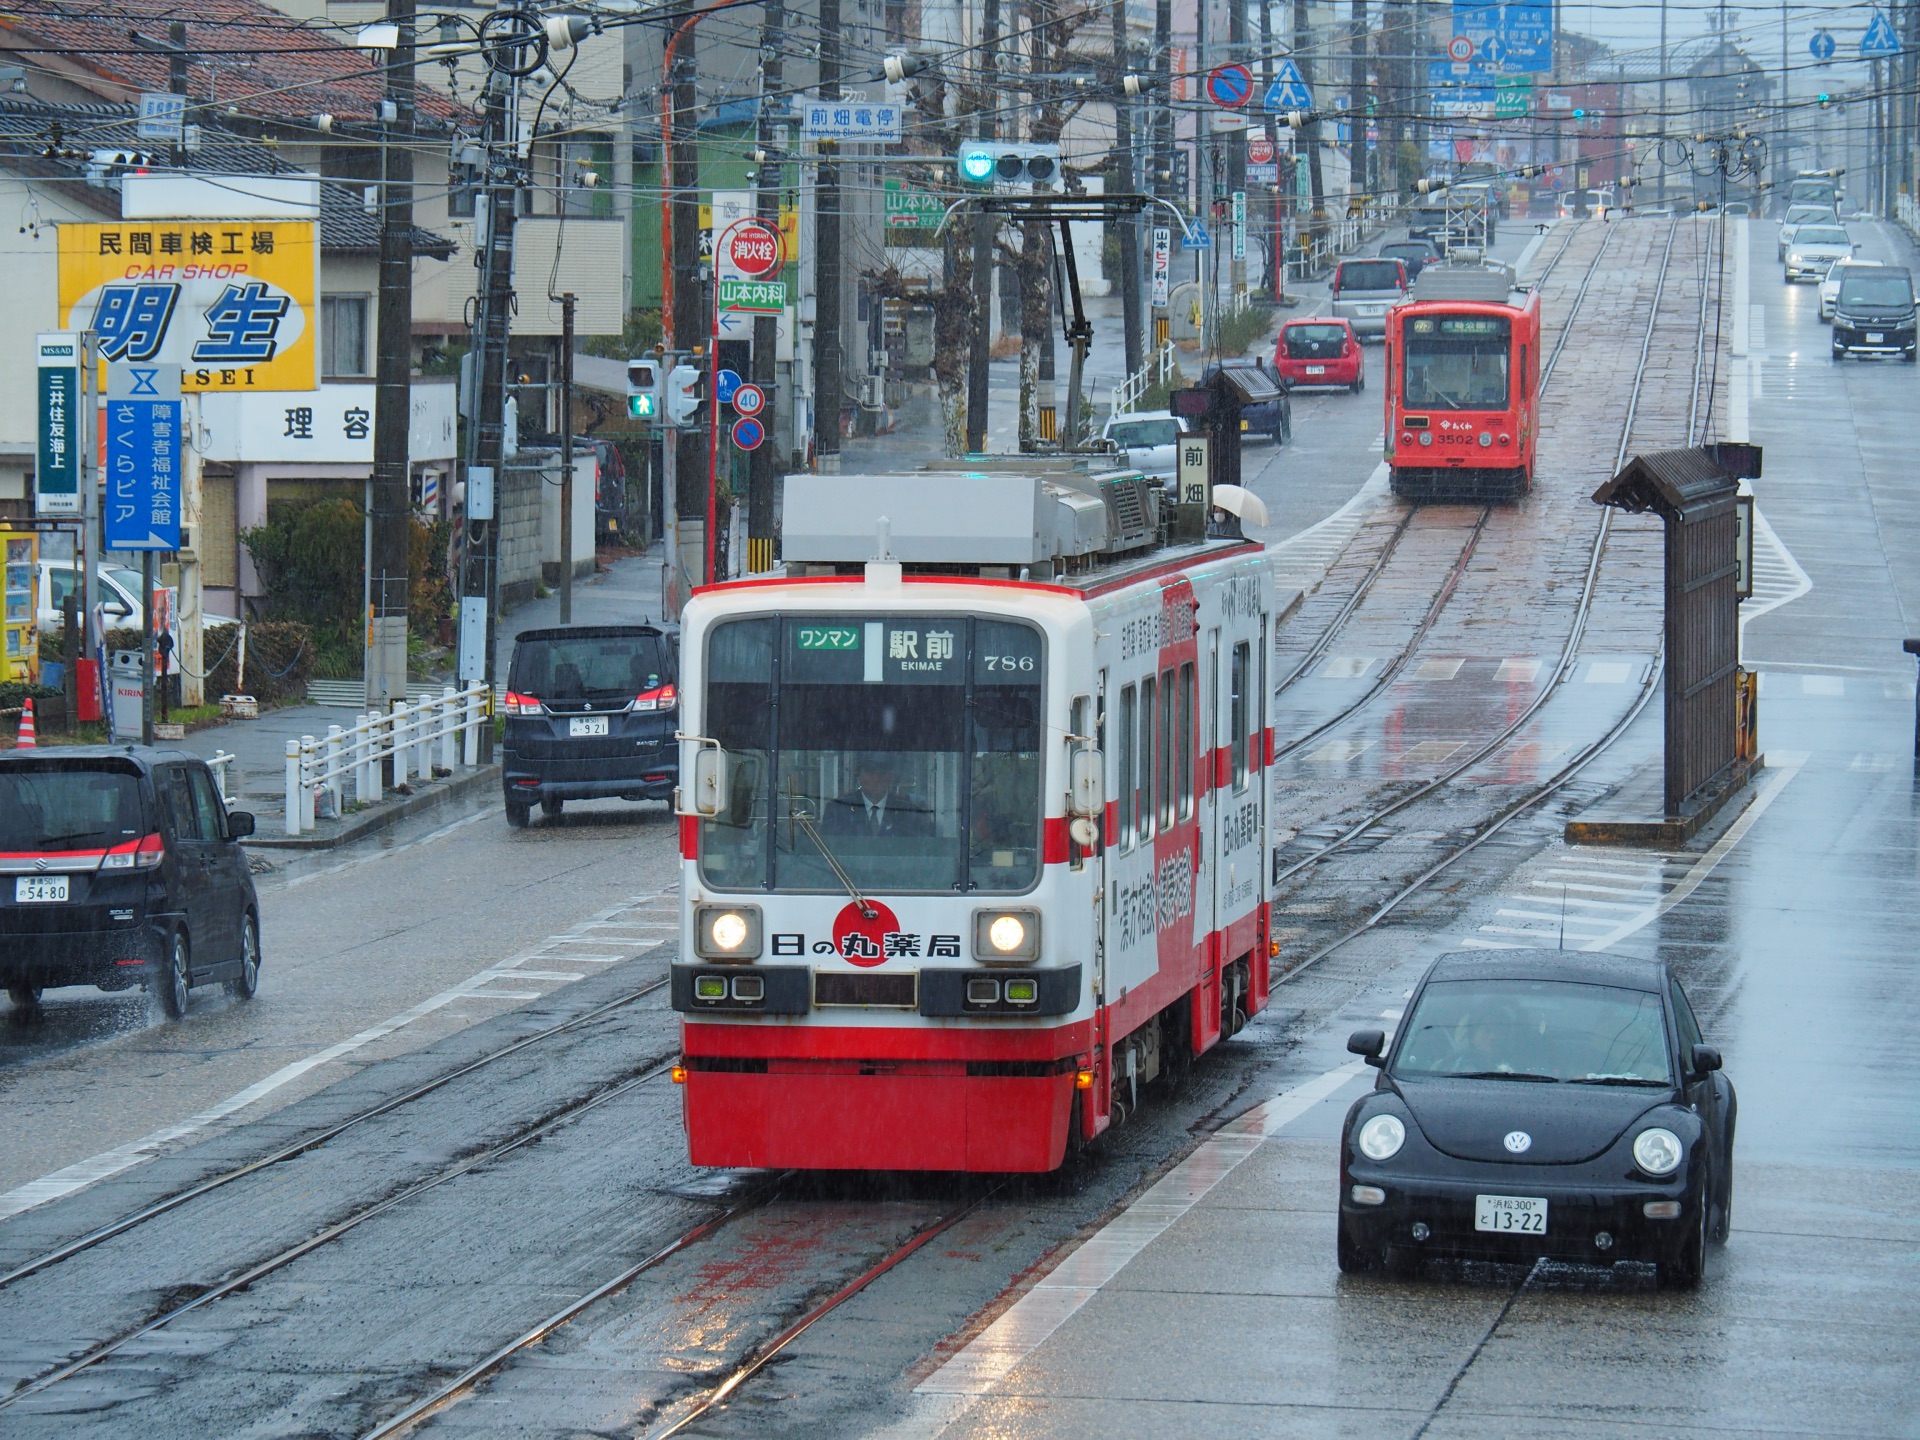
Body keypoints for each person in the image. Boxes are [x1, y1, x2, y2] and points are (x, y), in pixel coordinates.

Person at [823, 753, 930, 837]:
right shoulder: (838, 810)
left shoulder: (909, 813)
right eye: (870, 772)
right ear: (859, 775)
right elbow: (826, 852)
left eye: (882, 772)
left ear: (891, 776)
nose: (876, 779)